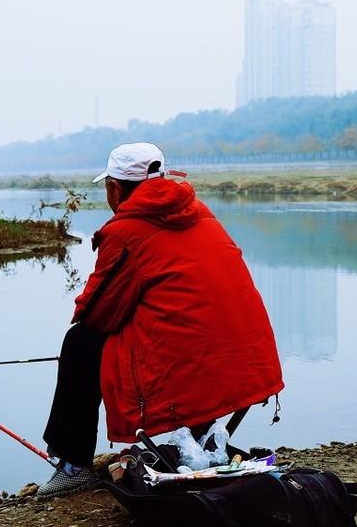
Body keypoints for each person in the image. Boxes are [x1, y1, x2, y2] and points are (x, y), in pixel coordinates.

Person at [37, 142, 284, 497]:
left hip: (198, 361)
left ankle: (73, 465)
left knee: (80, 342)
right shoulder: (201, 213)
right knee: (179, 326)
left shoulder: (126, 231)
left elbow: (95, 314)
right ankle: (198, 438)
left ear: (115, 188)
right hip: (250, 363)